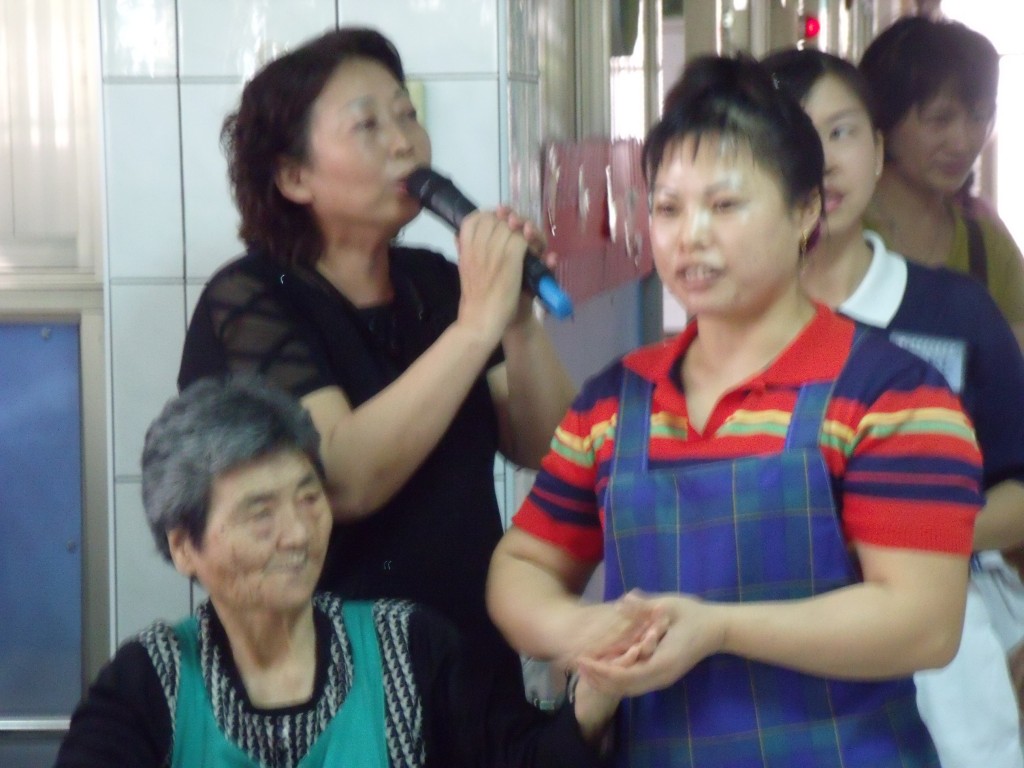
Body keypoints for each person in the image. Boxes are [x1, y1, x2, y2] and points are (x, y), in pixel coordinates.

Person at [485, 54, 983, 767]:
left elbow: (923, 623)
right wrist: (580, 630)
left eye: (724, 206)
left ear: (805, 210)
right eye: (668, 208)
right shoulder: (615, 403)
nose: (690, 235)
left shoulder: (892, 396)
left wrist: (718, 630)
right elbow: (524, 565)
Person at [177, 27, 576, 683]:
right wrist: (476, 327)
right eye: (368, 125)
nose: (404, 142)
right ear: (294, 177)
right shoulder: (249, 301)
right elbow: (341, 479)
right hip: (325, 681)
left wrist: (516, 323)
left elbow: (549, 445)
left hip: (466, 662)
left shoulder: (438, 283)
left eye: (407, 115)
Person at [54, 375, 619, 767]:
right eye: (260, 513)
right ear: (184, 547)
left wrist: (595, 694)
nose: (298, 534)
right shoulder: (149, 683)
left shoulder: (410, 648)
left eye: (309, 498)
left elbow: (521, 761)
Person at [763, 46, 1024, 768]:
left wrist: (906, 533)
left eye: (841, 131)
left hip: (949, 670)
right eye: (793, 133)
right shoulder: (731, 331)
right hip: (780, 666)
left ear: (878, 151)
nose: (821, 160)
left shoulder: (956, 312)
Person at [859, 15, 1024, 346]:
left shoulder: (987, 248)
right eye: (940, 119)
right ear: (884, 121)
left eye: (978, 117)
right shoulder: (834, 235)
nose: (963, 143)